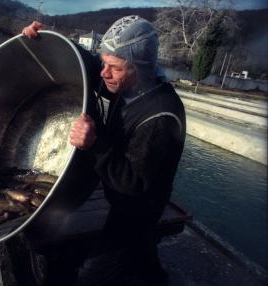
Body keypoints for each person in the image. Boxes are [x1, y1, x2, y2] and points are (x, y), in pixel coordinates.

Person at [23, 16, 186, 285]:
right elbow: (91, 64)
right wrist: (49, 41)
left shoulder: (160, 117)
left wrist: (94, 145)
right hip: (121, 198)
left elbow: (134, 183)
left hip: (136, 209)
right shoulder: (134, 85)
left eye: (114, 67)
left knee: (92, 275)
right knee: (143, 255)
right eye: (105, 63)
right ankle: (154, 276)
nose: (104, 73)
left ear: (138, 69)